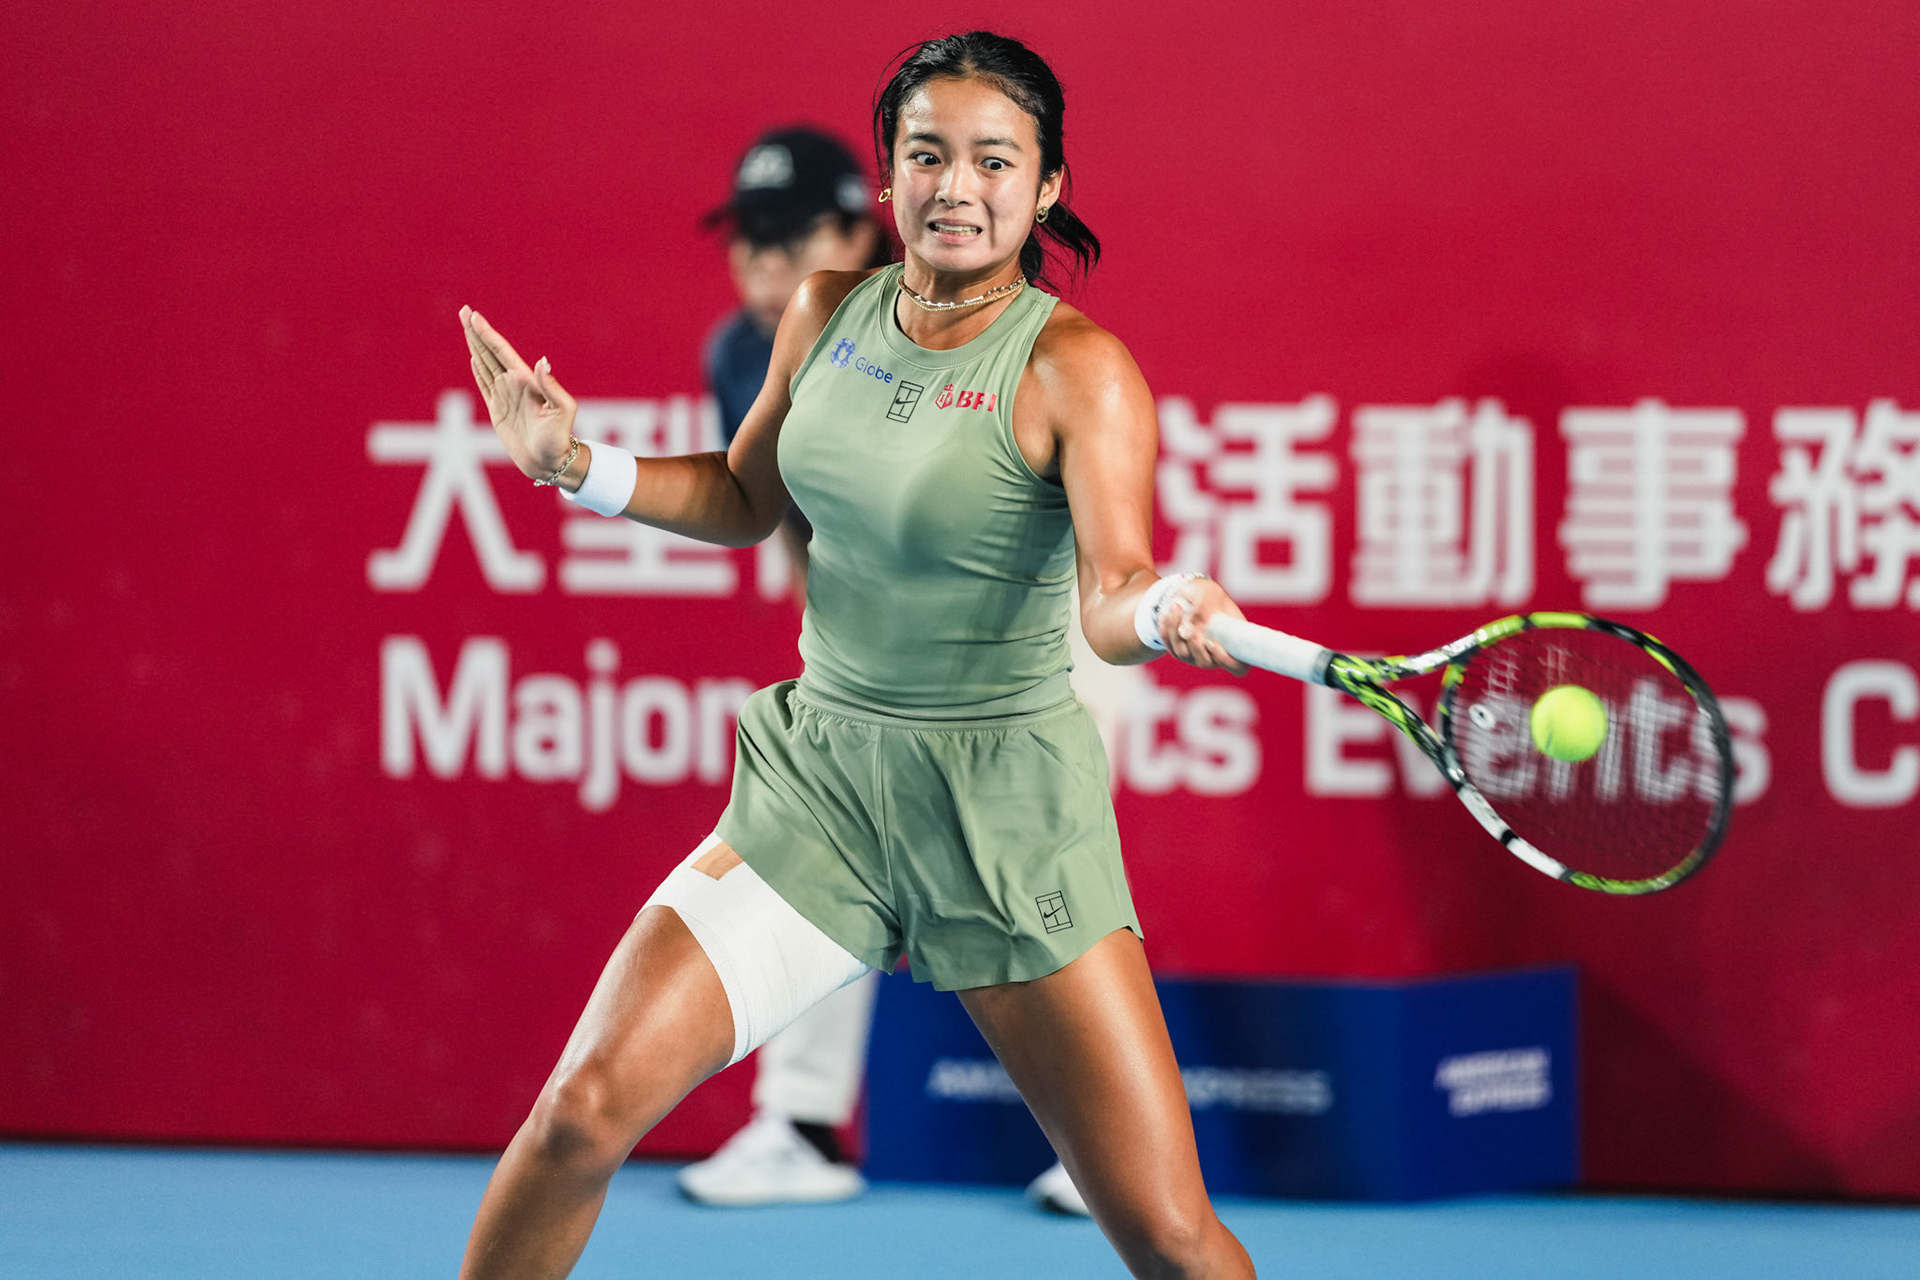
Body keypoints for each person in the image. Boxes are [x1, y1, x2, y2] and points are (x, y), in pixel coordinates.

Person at [456, 30, 1257, 1280]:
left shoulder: (1078, 370)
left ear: (1045, 186)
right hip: (819, 787)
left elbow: (1110, 591)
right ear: (887, 180)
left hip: (1003, 815)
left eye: (996, 160)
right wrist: (578, 464)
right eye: (927, 155)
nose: (957, 185)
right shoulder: (829, 311)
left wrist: (1158, 612)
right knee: (580, 1109)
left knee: (1163, 1233)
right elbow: (741, 494)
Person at [681, 122, 1099, 1215]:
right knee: (834, 861)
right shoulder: (748, 348)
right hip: (887, 659)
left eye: (790, 237)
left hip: (1047, 619)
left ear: (852, 226)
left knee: (1036, 887)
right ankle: (805, 1125)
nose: (764, 264)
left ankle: (1099, 1141)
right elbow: (780, 514)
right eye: (747, 239)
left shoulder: (939, 307)